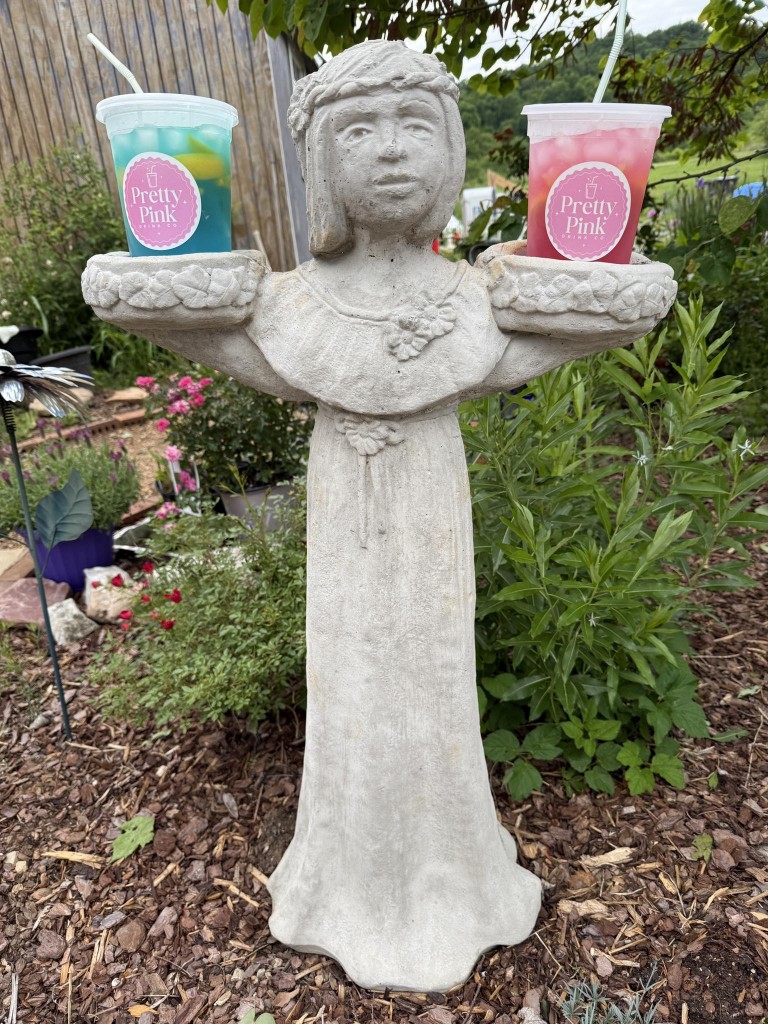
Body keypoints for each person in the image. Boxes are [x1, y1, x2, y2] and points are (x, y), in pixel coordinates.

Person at [83, 39, 676, 991]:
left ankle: (455, 874)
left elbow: (550, 335)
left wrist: (601, 292)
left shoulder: (482, 301)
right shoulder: (288, 306)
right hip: (344, 526)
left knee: (434, 671)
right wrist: (161, 294)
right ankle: (344, 876)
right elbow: (222, 334)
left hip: (433, 512)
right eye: (359, 129)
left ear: (450, 147)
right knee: (352, 674)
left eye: (415, 125)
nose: (391, 148)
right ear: (321, 160)